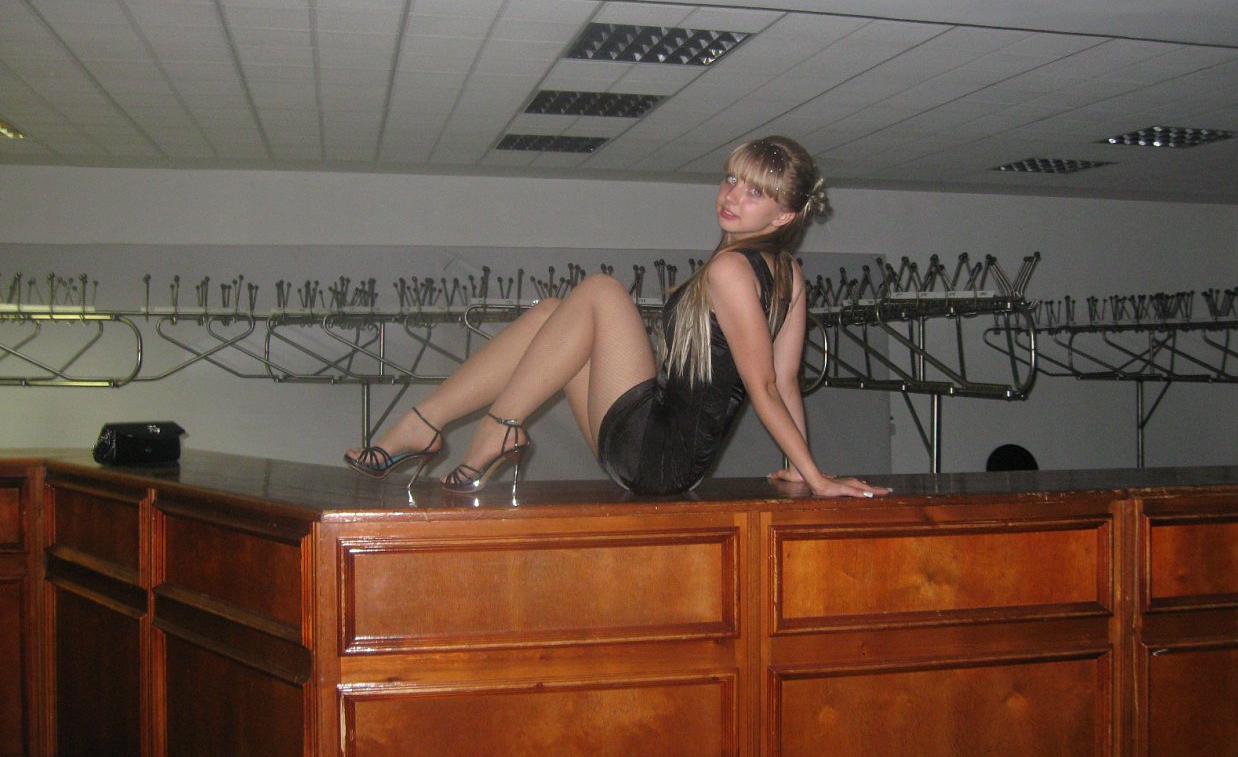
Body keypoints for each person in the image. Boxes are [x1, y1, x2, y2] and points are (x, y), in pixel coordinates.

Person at [344, 135, 890, 499]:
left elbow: (767, 383)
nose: (731, 196)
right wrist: (797, 469)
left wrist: (815, 477)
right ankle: (425, 424)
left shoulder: (730, 270)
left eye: (755, 192)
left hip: (656, 453)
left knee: (601, 291)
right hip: (665, 454)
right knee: (553, 314)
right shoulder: (789, 273)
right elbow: (787, 379)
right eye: (731, 179)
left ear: (785, 215)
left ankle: (497, 428)